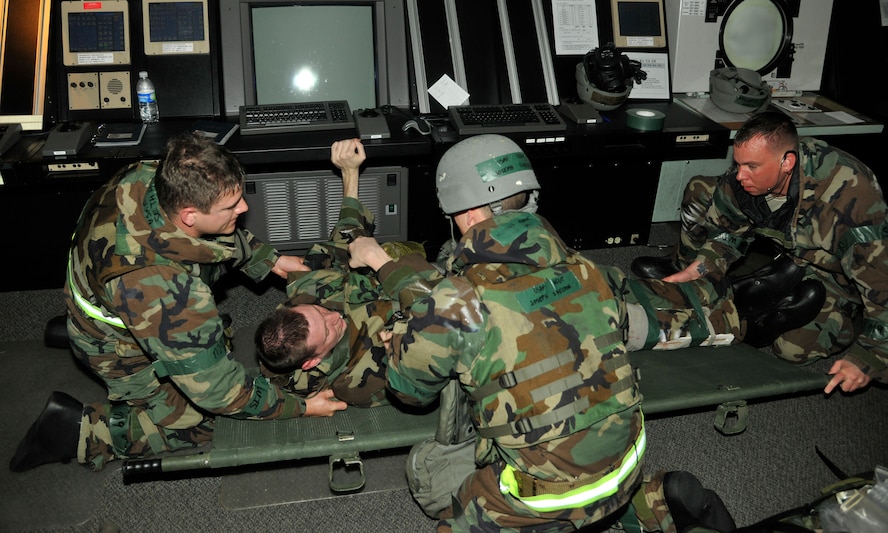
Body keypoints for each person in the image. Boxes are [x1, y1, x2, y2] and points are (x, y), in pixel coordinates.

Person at [345, 134, 798, 532]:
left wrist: (399, 337)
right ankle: (651, 501)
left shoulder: (453, 304)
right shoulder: (587, 270)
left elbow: (409, 392)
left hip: (551, 496)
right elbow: (637, 321)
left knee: (433, 475)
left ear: (464, 212)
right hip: (630, 460)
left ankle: (628, 511)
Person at [9, 132, 347, 473]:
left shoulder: (147, 175)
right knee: (205, 423)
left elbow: (214, 236)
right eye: (231, 206)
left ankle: (94, 328)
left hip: (97, 291)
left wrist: (269, 260)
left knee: (189, 293)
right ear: (188, 216)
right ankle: (77, 431)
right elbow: (221, 394)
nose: (244, 208)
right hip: (116, 339)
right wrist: (300, 407)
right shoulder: (168, 292)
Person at [631, 111, 888, 395]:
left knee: (790, 351)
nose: (740, 174)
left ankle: (848, 316)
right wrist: (698, 269)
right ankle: (758, 288)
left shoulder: (851, 196)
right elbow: (725, 234)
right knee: (702, 190)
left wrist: (869, 356)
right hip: (789, 250)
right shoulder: (742, 178)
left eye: (752, 166)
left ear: (787, 162)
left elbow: (882, 285)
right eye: (739, 164)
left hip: (838, 274)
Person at [254, 138, 441, 407]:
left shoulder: (307, 294)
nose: (333, 316)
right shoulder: (358, 382)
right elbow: (442, 343)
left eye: (319, 312)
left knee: (389, 250)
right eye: (328, 331)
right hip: (435, 305)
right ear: (313, 362)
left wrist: (350, 173)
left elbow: (344, 239)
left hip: (397, 275)